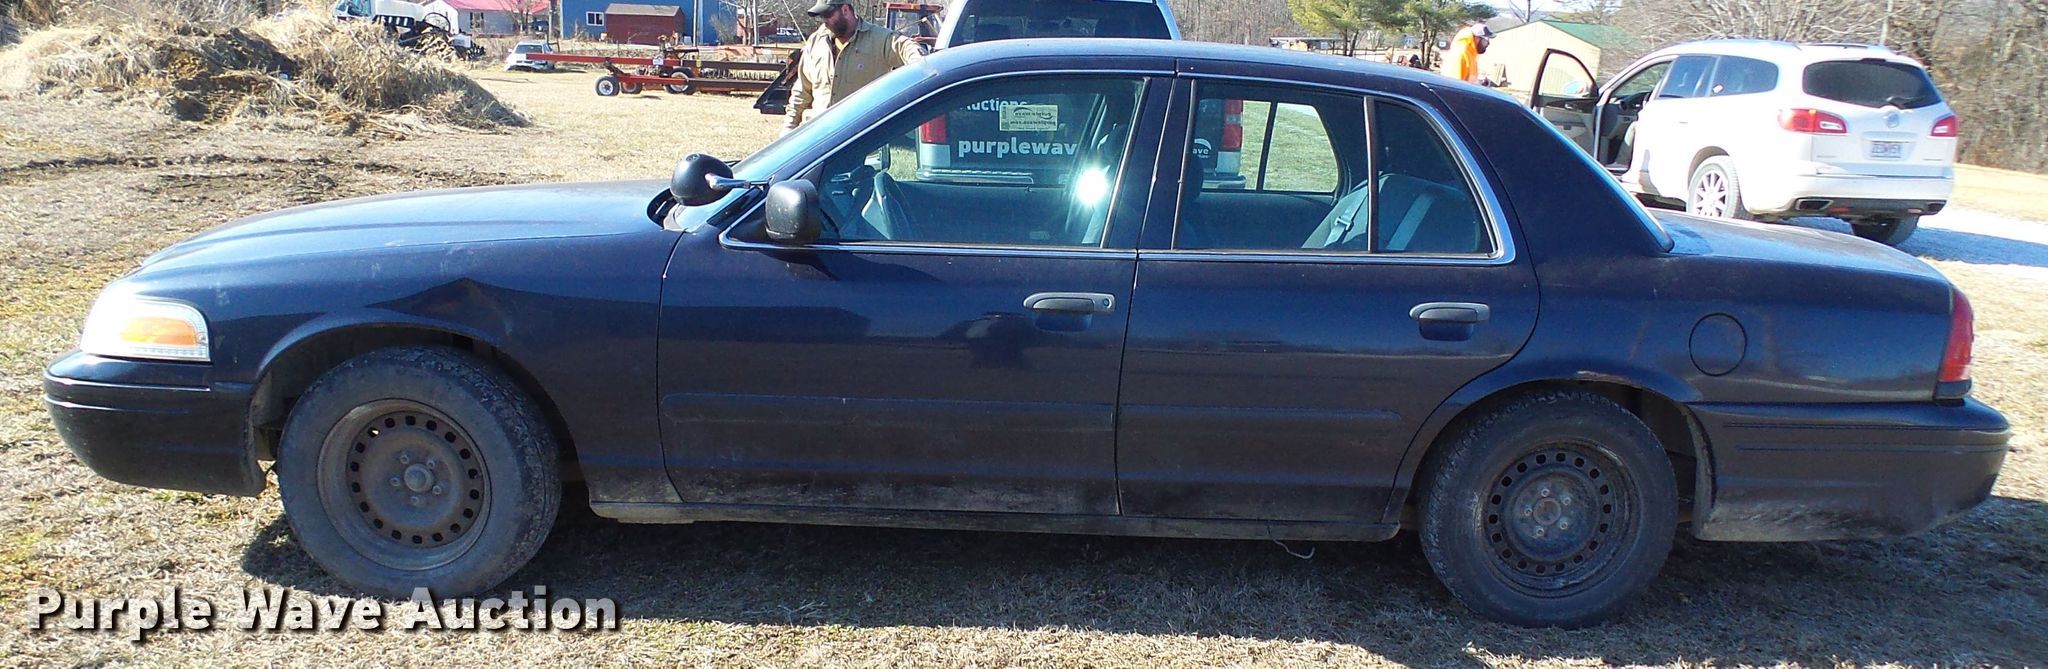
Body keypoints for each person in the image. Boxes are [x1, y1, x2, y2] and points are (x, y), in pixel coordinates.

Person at [783, 0, 923, 133]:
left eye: (828, 14)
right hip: (819, 137)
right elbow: (801, 91)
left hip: (859, 138)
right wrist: (789, 127)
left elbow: (906, 47)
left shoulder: (878, 39)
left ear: (845, 9)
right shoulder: (815, 42)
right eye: (821, 16)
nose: (824, 21)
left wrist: (921, 64)